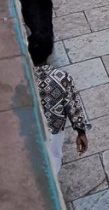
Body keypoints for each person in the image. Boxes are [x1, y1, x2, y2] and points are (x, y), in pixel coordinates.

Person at [30, 38, 89, 174]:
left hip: (32, 130)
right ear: (49, 52)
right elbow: (73, 105)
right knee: (55, 156)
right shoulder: (62, 78)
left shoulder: (24, 79)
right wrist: (81, 132)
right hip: (54, 130)